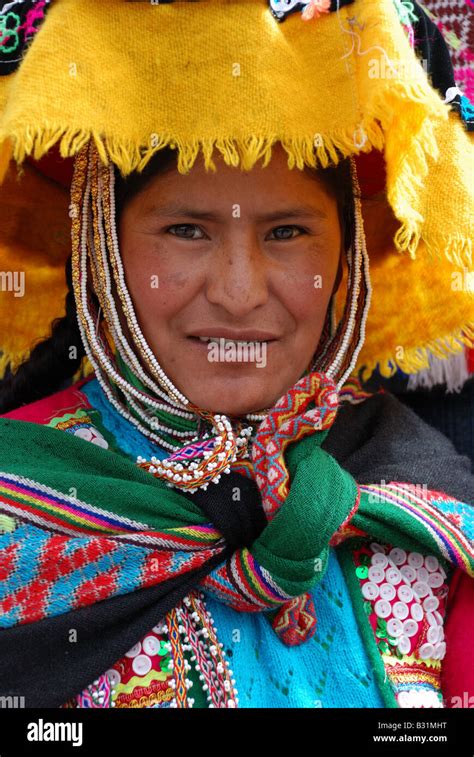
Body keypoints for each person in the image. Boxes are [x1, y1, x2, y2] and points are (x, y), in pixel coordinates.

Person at [0, 0, 473, 710]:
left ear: (346, 254)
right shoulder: (18, 500)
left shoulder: (428, 500)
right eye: (186, 230)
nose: (239, 292)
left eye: (286, 232)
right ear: (100, 246)